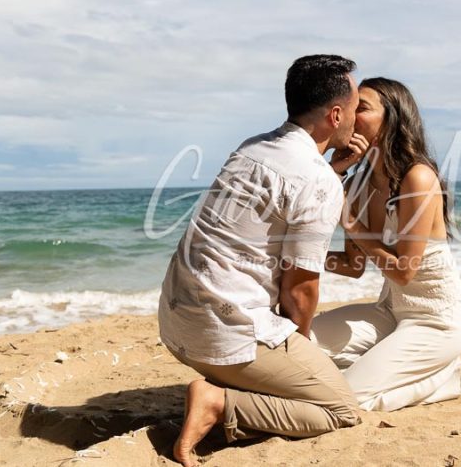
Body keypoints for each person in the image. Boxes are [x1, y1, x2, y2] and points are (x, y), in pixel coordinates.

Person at [158, 55, 370, 467]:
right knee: (341, 410)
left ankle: (226, 389)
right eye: (355, 108)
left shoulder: (252, 147)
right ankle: (218, 402)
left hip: (178, 323)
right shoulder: (317, 180)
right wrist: (300, 343)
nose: (357, 121)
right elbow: (300, 288)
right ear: (336, 113)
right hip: (225, 338)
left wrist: (335, 170)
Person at [313, 77, 461, 412]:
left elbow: (405, 273)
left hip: (435, 321)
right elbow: (352, 265)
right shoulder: (359, 183)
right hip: (389, 311)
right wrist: (292, 257)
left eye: (360, 107)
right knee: (298, 347)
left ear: (391, 118)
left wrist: (348, 218)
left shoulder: (417, 178)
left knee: (348, 399)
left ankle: (453, 372)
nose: (348, 113)